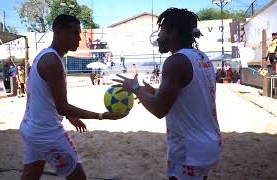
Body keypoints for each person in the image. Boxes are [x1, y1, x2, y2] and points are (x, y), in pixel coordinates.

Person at [113, 8, 221, 180]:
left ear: (173, 32)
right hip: (208, 144)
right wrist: (156, 92)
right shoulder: (201, 56)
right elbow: (190, 96)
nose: (158, 36)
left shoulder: (175, 61)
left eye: (162, 29)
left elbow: (159, 110)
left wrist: (135, 88)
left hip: (189, 151)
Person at [20, 14, 126, 180]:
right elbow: (62, 105)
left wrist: (70, 116)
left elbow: (49, 98)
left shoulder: (45, 55)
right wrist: (101, 116)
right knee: (78, 178)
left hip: (30, 127)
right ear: (59, 31)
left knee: (32, 171)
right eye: (75, 33)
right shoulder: (53, 62)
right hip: (47, 132)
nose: (79, 38)